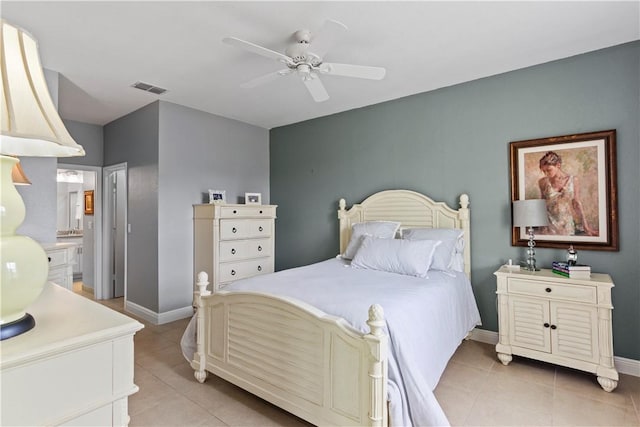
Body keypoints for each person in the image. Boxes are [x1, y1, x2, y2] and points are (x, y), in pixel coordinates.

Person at [538, 151, 596, 236]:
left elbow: (576, 203)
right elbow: (541, 204)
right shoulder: (543, 182)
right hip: (548, 225)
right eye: (544, 171)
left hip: (566, 225)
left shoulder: (573, 180)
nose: (546, 174)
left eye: (548, 170)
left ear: (558, 165)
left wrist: (586, 226)